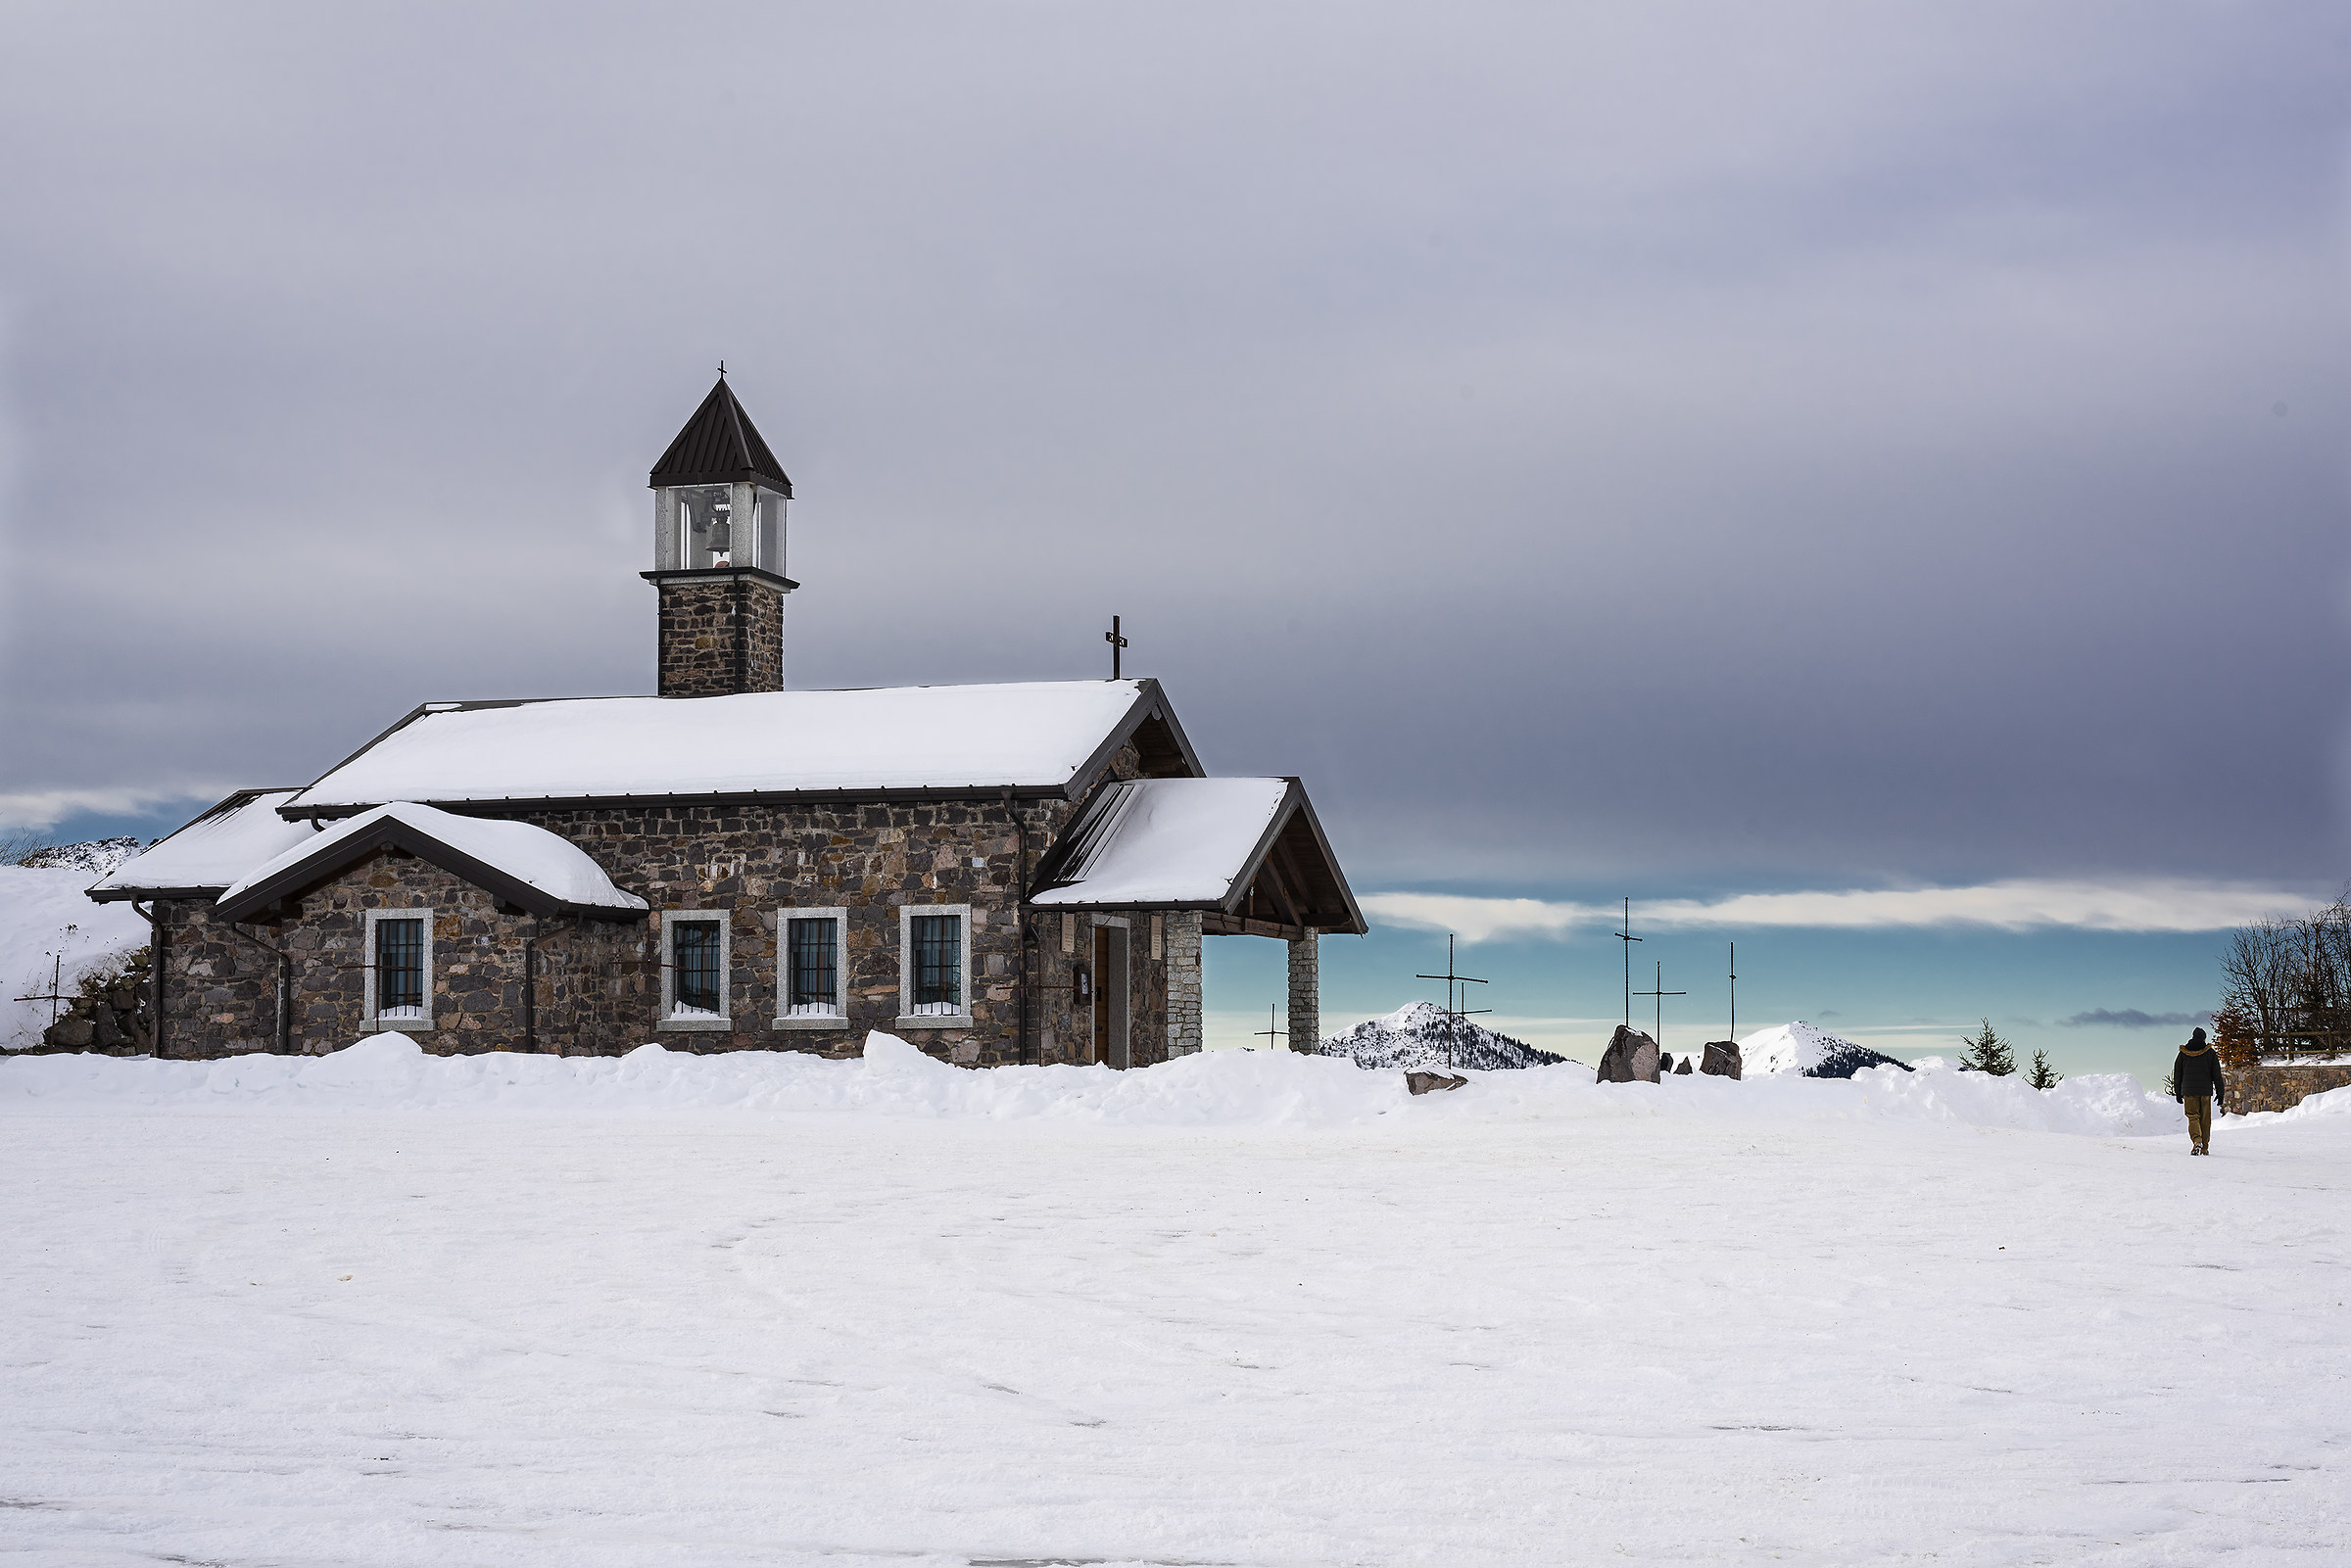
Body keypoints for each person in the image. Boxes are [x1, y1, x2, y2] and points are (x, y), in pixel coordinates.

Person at [2173, 1025, 2226, 1156]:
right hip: (2205, 1091)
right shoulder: (2210, 1053)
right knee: (2205, 1119)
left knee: (2193, 1116)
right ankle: (2204, 1147)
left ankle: (2197, 1140)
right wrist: (2220, 1093)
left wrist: (2178, 1091)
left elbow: (2177, 1073)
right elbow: (2217, 1075)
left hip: (2189, 1091)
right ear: (2204, 1038)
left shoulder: (2183, 1053)